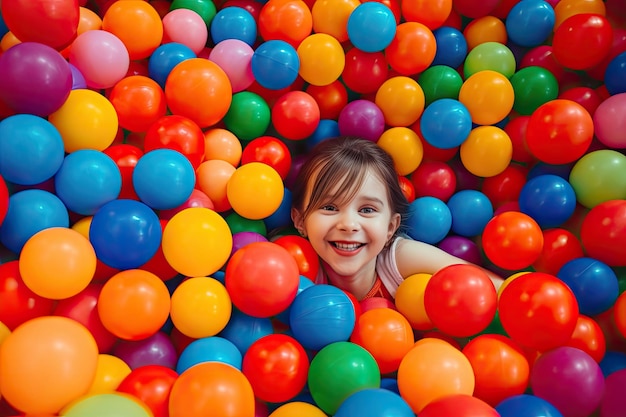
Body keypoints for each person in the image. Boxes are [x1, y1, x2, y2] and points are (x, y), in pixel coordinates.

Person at [290, 136, 504, 301]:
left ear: (391, 227)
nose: (348, 225)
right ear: (300, 220)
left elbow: (495, 287)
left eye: (367, 210)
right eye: (329, 207)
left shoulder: (400, 260)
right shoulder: (294, 270)